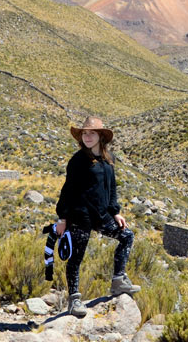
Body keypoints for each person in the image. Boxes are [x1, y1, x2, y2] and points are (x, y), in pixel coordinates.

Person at [55, 116, 139, 318]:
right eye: (84, 133)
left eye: (92, 133)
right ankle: (74, 299)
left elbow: (111, 188)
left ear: (101, 136)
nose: (87, 136)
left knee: (127, 236)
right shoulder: (77, 161)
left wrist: (116, 211)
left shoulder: (108, 159)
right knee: (76, 258)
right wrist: (63, 218)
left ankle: (118, 279)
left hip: (101, 215)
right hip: (80, 216)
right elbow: (67, 190)